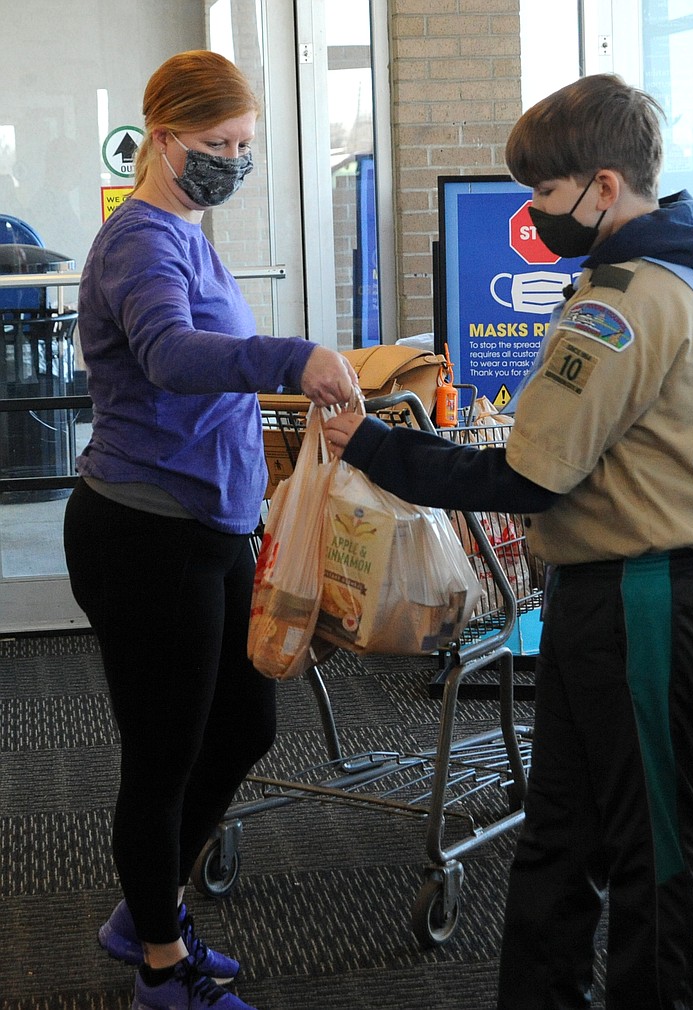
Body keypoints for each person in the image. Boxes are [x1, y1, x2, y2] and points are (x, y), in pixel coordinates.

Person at [325, 74, 693, 1010]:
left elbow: (527, 475)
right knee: (562, 827)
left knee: (648, 841)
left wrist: (376, 446)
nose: (534, 214)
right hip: (614, 588)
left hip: (644, 589)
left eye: (546, 195)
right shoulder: (679, 271)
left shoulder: (622, 300)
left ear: (603, 185)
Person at [63, 50, 355, 1010]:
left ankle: (146, 910)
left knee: (245, 723)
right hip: (145, 532)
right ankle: (159, 963)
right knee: (165, 753)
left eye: (244, 145)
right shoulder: (141, 240)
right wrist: (295, 355)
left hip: (210, 525)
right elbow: (175, 356)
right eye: (216, 143)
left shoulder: (185, 226)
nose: (233, 160)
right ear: (162, 135)